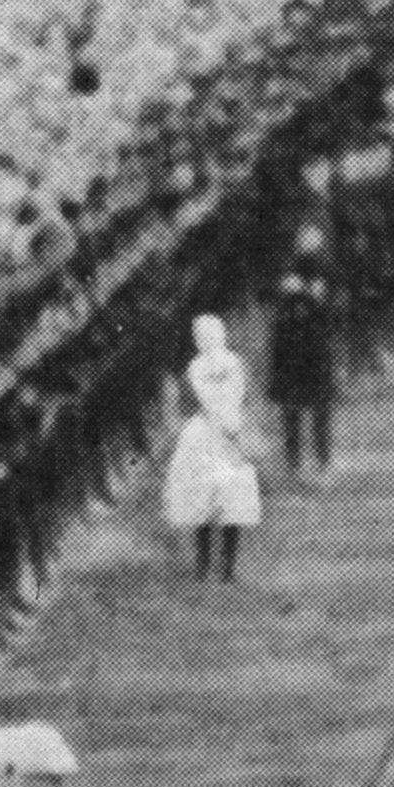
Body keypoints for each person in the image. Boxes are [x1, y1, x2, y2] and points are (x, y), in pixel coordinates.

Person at [161, 314, 263, 584]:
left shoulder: (216, 364)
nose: (205, 341)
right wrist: (231, 424)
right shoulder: (210, 365)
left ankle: (216, 566)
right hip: (217, 435)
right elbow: (219, 399)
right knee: (215, 499)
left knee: (220, 500)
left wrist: (230, 423)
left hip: (217, 433)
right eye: (202, 337)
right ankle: (213, 566)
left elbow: (228, 395)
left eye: (207, 337)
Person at [268, 230, 340, 482]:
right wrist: (290, 290)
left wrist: (308, 292)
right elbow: (276, 303)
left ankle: (322, 464)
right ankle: (294, 465)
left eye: (311, 243)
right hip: (291, 350)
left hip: (315, 348)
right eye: (302, 242)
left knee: (319, 409)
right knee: (292, 409)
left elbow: (329, 309)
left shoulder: (326, 272)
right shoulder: (285, 271)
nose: (306, 247)